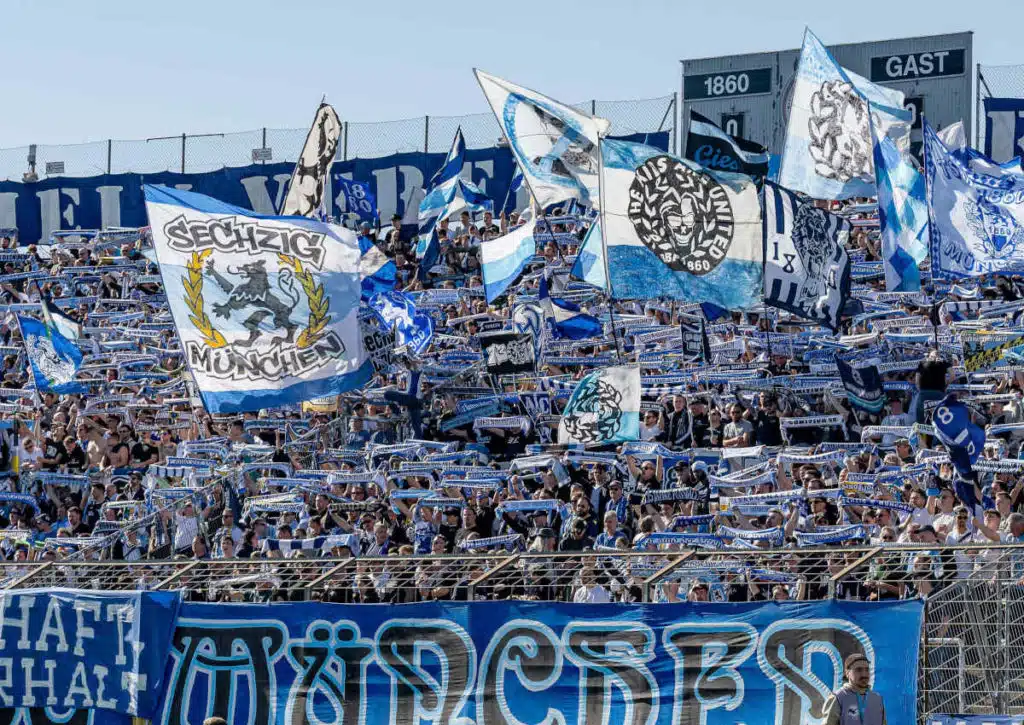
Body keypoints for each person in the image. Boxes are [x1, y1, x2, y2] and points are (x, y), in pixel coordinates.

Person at [823, 654, 887, 725]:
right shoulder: (838, 698)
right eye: (858, 670)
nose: (864, 674)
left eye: (867, 669)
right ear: (847, 673)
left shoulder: (877, 699)